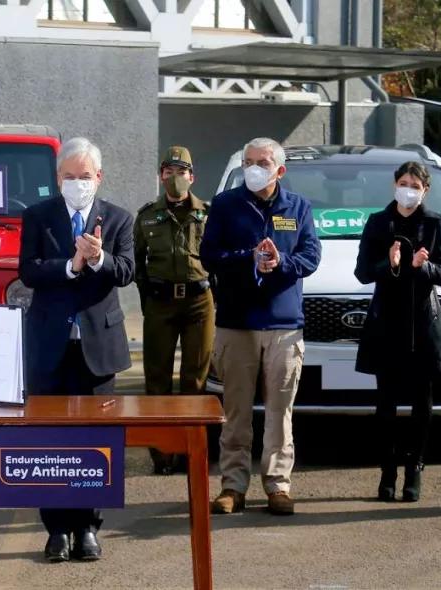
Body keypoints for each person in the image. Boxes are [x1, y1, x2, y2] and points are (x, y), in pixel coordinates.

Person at [19, 137, 134, 562]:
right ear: (58, 178)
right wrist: (71, 266)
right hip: (50, 345)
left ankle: (88, 526)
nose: (77, 183)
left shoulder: (119, 219)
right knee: (50, 440)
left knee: (95, 439)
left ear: (98, 178)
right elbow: (28, 271)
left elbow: (127, 271)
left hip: (97, 348)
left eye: (85, 177)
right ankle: (56, 530)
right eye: (69, 177)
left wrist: (100, 258)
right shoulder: (38, 216)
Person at [200, 137, 321, 516]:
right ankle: (233, 486)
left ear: (279, 170)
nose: (254, 167)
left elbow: (311, 256)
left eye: (262, 162)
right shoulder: (225, 205)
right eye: (249, 161)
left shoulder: (298, 207)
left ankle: (278, 486)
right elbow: (209, 255)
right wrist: (248, 259)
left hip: (283, 326)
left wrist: (280, 261)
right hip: (237, 325)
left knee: (278, 412)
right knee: (235, 412)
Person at [354, 161, 441, 503]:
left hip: (423, 323)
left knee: (422, 403)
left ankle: (415, 468)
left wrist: (422, 267)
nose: (408, 189)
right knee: (386, 403)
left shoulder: (435, 222)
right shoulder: (378, 222)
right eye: (403, 182)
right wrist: (390, 264)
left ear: (425, 189)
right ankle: (387, 471)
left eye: (415, 184)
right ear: (395, 185)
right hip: (387, 322)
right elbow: (363, 273)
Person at [133, 146, 215, 475]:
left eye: (182, 172)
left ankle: (189, 451)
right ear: (160, 176)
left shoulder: (207, 214)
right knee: (157, 380)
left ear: (192, 177)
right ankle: (161, 453)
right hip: (160, 301)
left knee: (195, 380)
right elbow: (138, 264)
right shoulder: (147, 215)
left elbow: (216, 260)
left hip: (199, 302)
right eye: (169, 171)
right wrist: (150, 299)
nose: (175, 178)